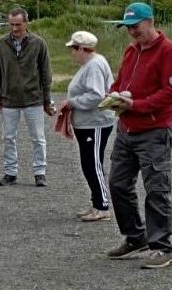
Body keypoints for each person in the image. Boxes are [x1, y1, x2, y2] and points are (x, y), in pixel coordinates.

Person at [105, 3, 172, 269]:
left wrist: (137, 105)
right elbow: (121, 82)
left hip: (155, 130)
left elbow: (168, 93)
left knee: (157, 189)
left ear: (151, 22)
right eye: (128, 28)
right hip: (127, 128)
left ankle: (165, 245)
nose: (132, 32)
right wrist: (113, 95)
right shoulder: (131, 50)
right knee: (118, 184)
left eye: (136, 26)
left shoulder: (167, 51)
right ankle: (136, 236)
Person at [0, 7, 54, 187]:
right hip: (8, 99)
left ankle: (40, 173)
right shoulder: (1, 44)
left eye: (18, 24)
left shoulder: (39, 43)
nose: (15, 28)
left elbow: (45, 73)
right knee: (8, 137)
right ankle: (10, 173)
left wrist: (47, 100)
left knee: (38, 138)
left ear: (26, 23)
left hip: (33, 99)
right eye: (11, 25)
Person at [57, 31, 114, 222]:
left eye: (73, 48)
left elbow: (96, 96)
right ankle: (96, 203)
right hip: (86, 123)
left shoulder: (95, 65)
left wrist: (71, 103)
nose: (72, 53)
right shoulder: (89, 64)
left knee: (93, 164)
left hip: (95, 123)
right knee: (88, 164)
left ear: (82, 49)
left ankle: (102, 207)